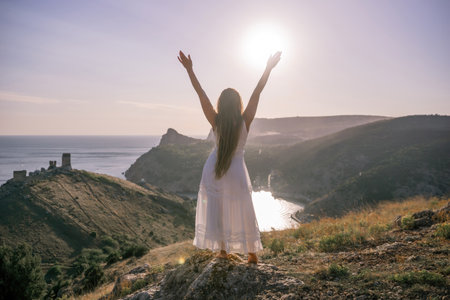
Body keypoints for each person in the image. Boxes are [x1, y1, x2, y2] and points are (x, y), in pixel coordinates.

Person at [178, 50, 281, 264]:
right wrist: (267, 68)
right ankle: (251, 253)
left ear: (220, 105)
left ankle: (223, 251)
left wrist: (190, 70)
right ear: (238, 104)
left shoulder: (215, 121)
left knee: (218, 208)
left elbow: (201, 94)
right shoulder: (245, 121)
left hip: (213, 168)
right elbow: (257, 92)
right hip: (236, 170)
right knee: (242, 206)